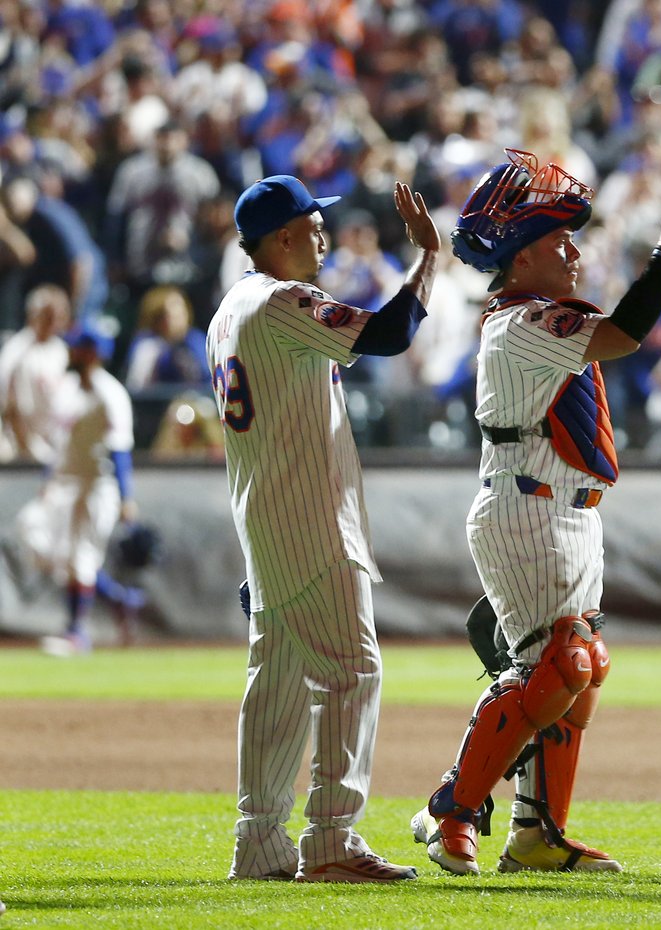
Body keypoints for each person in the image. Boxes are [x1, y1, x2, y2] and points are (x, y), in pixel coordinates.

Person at [410, 150, 661, 876]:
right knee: (560, 664)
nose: (574, 250)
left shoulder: (536, 315)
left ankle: (537, 835)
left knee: (582, 668)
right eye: (560, 240)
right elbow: (628, 333)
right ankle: (454, 807)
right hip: (525, 507)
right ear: (523, 252)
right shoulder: (521, 320)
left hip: (567, 510)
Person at [208, 174, 440, 884]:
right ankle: (333, 838)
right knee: (352, 671)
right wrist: (428, 259)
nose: (323, 233)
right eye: (312, 224)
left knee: (275, 682)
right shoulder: (280, 301)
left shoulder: (226, 311)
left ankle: (260, 839)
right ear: (280, 237)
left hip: (265, 517)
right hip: (310, 516)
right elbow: (392, 333)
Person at [13, 320, 141, 656]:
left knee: (80, 558)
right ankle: (117, 598)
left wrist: (127, 498)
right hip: (64, 484)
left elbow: (120, 450)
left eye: (78, 346)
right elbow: (59, 442)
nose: (70, 350)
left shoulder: (110, 393)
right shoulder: (67, 387)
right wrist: (47, 481)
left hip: (97, 487)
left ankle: (76, 632)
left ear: (92, 353)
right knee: (33, 531)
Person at [0, 284, 71, 464]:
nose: (54, 320)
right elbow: (9, 407)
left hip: (53, 440)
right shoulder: (16, 352)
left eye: (58, 314)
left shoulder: (61, 350)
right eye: (48, 314)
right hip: (21, 443)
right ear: (34, 314)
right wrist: (25, 447)